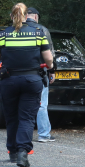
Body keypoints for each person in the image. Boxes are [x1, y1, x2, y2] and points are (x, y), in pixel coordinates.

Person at [0, 3, 54, 167]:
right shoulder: (38, 33)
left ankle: (12, 152)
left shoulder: (2, 35)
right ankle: (23, 152)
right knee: (27, 118)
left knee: (11, 117)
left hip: (9, 80)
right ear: (26, 16)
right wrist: (51, 69)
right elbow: (49, 59)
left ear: (12, 16)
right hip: (32, 81)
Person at [27, 7, 55, 143]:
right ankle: (44, 134)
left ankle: (20, 134)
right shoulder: (41, 30)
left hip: (18, 74)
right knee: (41, 104)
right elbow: (50, 53)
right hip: (39, 73)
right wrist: (52, 71)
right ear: (36, 17)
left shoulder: (15, 30)